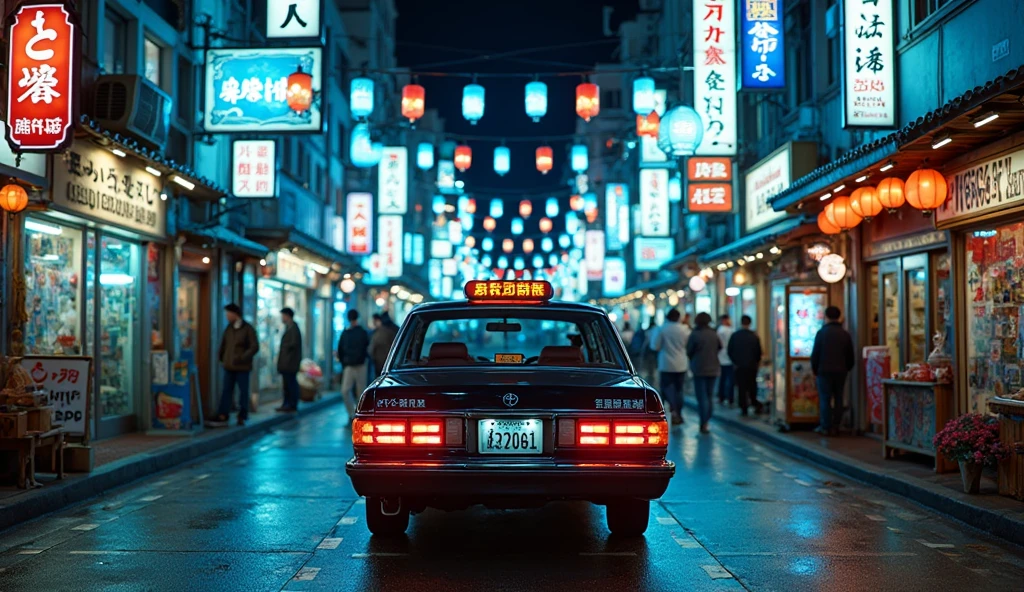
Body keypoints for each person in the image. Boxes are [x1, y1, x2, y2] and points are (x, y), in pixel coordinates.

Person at [207, 304, 259, 427]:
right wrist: (221, 357)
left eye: (228, 313)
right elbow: (224, 344)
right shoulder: (229, 328)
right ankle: (223, 414)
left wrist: (242, 357)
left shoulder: (248, 329)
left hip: (242, 367)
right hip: (229, 365)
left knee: (243, 391)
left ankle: (242, 415)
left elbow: (254, 347)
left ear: (235, 314)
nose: (227, 316)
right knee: (226, 390)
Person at [811, 306, 855, 436]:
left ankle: (826, 426)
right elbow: (850, 356)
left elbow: (815, 354)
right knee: (839, 398)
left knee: (825, 398)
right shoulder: (845, 334)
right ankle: (837, 425)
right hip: (841, 371)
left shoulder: (821, 333)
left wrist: (815, 370)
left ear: (826, 317)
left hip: (824, 371)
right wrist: (847, 368)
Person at [652, 309, 690, 425]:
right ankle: (678, 413)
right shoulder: (685, 330)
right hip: (681, 364)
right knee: (679, 390)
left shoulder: (662, 329)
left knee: (667, 388)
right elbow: (689, 345)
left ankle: (672, 410)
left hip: (666, 364)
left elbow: (655, 346)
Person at [687, 312, 721, 434]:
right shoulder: (713, 333)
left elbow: (689, 351)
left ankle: (703, 421)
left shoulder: (695, 334)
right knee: (709, 395)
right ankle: (707, 419)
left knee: (702, 397)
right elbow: (720, 347)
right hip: (713, 367)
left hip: (699, 368)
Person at [338, 309, 370, 419]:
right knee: (360, 391)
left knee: (345, 390)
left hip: (350, 365)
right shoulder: (362, 332)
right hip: (360, 365)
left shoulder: (346, 333)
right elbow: (367, 347)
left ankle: (352, 414)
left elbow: (340, 349)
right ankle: (359, 413)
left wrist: (343, 362)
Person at [728, 315, 763, 416]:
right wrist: (756, 362)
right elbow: (758, 352)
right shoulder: (754, 336)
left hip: (739, 366)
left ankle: (743, 408)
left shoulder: (735, 335)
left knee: (741, 387)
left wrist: (735, 361)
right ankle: (754, 403)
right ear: (750, 323)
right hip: (752, 366)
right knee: (752, 386)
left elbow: (730, 351)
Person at [276, 308, 302, 413]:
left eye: (283, 316)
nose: (282, 318)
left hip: (289, 364)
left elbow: (293, 346)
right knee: (287, 385)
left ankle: (291, 404)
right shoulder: (289, 328)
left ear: (288, 316)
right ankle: (287, 404)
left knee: (290, 385)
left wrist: (285, 348)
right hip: (287, 363)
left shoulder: (293, 328)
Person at [369, 310, 399, 377]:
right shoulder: (396, 330)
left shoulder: (378, 333)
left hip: (380, 364)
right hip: (394, 363)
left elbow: (371, 350)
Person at [716, 314, 736, 407]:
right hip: (729, 357)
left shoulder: (719, 331)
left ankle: (721, 397)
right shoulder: (730, 330)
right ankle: (730, 398)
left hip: (721, 357)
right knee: (730, 379)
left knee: (722, 379)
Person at [641, 319, 660, 385]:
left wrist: (643, 350)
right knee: (653, 363)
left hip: (649, 349)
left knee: (650, 363)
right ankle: (652, 374)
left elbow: (646, 342)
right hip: (654, 350)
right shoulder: (657, 331)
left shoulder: (648, 332)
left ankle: (650, 374)